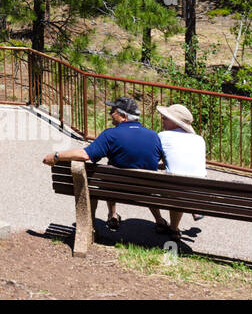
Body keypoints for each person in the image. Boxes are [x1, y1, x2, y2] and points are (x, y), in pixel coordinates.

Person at [41, 95, 164, 231]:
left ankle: (100, 221)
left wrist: (57, 155)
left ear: (123, 115)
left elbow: (85, 154)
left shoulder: (110, 135)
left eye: (113, 111)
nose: (110, 114)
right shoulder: (154, 136)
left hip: (115, 189)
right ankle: (159, 219)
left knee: (100, 176)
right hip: (146, 190)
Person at [147, 103, 207, 240]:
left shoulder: (162, 136)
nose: (162, 119)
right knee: (179, 183)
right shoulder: (199, 140)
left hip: (174, 190)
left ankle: (159, 221)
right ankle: (174, 228)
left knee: (148, 183)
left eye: (165, 117)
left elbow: (151, 162)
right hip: (198, 191)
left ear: (175, 122)